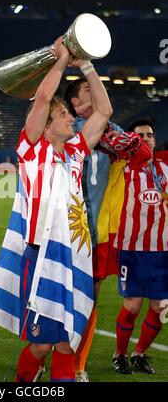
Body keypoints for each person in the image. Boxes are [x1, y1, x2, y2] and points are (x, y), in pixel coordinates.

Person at [0, 36, 112, 382]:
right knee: (40, 346)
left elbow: (104, 112)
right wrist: (59, 60)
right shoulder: (32, 149)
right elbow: (41, 99)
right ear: (47, 124)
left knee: (66, 342)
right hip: (39, 257)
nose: (71, 118)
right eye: (64, 114)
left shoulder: (75, 151)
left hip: (71, 257)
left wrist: (86, 66)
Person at [63, 78, 124, 381]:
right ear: (74, 103)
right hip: (69, 231)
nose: (94, 91)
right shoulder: (72, 130)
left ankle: (77, 365)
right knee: (59, 297)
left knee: (90, 301)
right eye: (87, 90)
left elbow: (134, 149)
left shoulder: (111, 131)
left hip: (96, 233)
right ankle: (49, 359)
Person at [111, 118, 168, 375]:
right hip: (131, 247)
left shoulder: (165, 164)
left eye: (150, 135)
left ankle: (139, 354)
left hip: (163, 250)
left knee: (160, 308)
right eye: (140, 136)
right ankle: (119, 354)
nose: (146, 140)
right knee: (132, 305)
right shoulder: (121, 166)